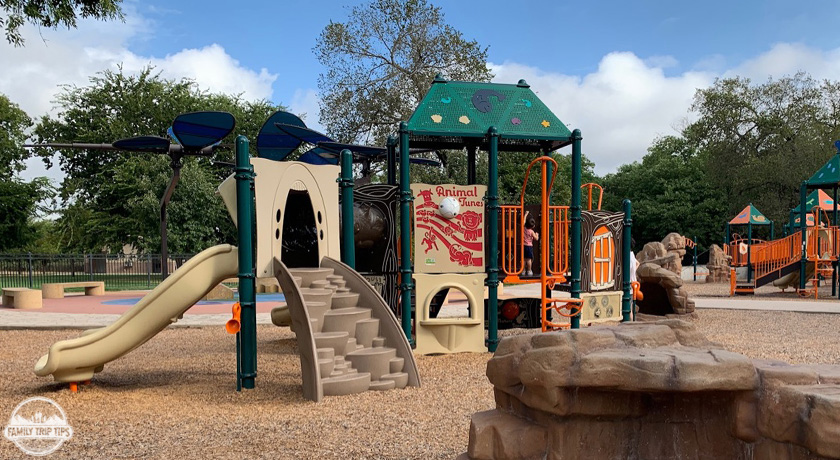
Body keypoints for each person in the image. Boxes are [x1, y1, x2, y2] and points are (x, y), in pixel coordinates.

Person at [523, 211, 539, 276]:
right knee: (529, 259)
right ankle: (529, 270)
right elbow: (536, 238)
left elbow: (523, 221)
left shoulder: (524, 229)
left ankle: (523, 270)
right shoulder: (531, 232)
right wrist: (537, 234)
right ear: (533, 226)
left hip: (523, 245)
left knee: (524, 259)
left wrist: (526, 214)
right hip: (529, 246)